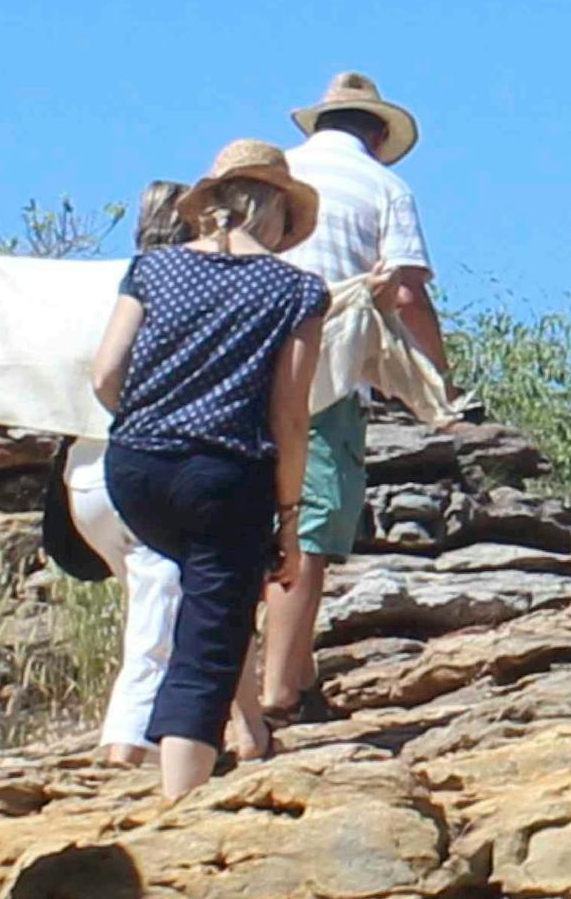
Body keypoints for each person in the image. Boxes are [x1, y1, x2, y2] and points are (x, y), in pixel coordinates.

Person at [103, 143, 334, 795]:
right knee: (210, 631)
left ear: (214, 207)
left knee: (207, 597)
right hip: (225, 473)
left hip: (136, 467)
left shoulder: (153, 269)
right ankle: (182, 803)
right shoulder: (296, 290)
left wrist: (156, 418)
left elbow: (105, 372)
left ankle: (227, 741)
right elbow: (291, 416)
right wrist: (288, 518)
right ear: (278, 217)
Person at [248, 69, 444, 747]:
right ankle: (280, 690)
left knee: (247, 518)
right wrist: (437, 383)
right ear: (377, 133)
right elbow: (409, 293)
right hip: (324, 368)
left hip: (243, 359)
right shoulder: (387, 188)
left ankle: (282, 680)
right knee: (308, 519)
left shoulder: (273, 176)